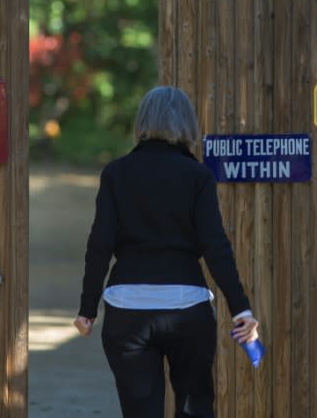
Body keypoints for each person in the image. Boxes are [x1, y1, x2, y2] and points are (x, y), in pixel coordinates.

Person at [73, 86, 260, 418]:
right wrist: (240, 309)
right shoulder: (197, 176)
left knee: (140, 410)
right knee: (195, 407)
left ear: (142, 121)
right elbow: (215, 247)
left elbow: (99, 244)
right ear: (188, 124)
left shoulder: (116, 173)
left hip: (126, 308)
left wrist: (88, 308)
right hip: (186, 307)